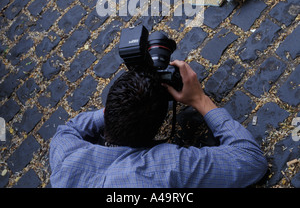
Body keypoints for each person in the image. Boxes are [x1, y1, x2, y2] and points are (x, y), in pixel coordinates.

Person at [49, 60, 268, 188]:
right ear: (157, 127)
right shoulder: (160, 167)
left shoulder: (66, 157)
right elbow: (251, 161)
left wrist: (118, 110)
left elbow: (68, 130)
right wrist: (200, 100)